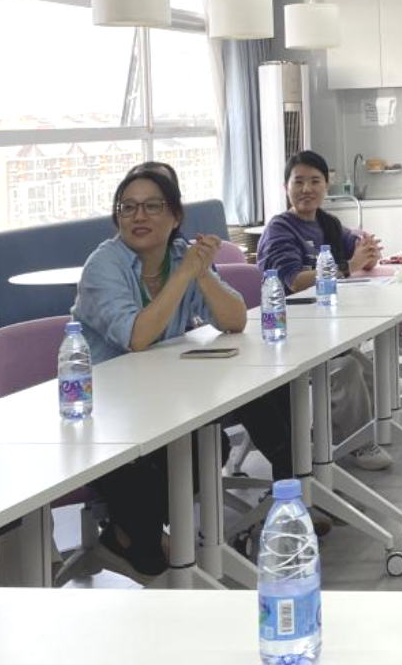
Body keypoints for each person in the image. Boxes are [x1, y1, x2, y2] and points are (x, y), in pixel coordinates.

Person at [71, 167, 274, 581]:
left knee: (210, 443)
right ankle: (138, 541)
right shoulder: (103, 265)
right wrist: (184, 275)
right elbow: (137, 337)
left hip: (164, 405)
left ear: (175, 215)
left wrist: (201, 273)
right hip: (108, 419)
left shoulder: (181, 255)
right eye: (127, 208)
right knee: (152, 487)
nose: (138, 216)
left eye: (152, 206)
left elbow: (235, 320)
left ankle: (135, 538)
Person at [257, 151, 391, 473]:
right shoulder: (280, 229)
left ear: (326, 186)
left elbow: (357, 257)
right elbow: (294, 280)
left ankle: (338, 437)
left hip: (326, 327)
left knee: (369, 370)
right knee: (347, 369)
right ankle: (356, 445)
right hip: (291, 332)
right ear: (286, 187)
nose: (307, 189)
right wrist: (348, 266)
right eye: (298, 182)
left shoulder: (327, 224)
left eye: (315, 181)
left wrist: (368, 253)